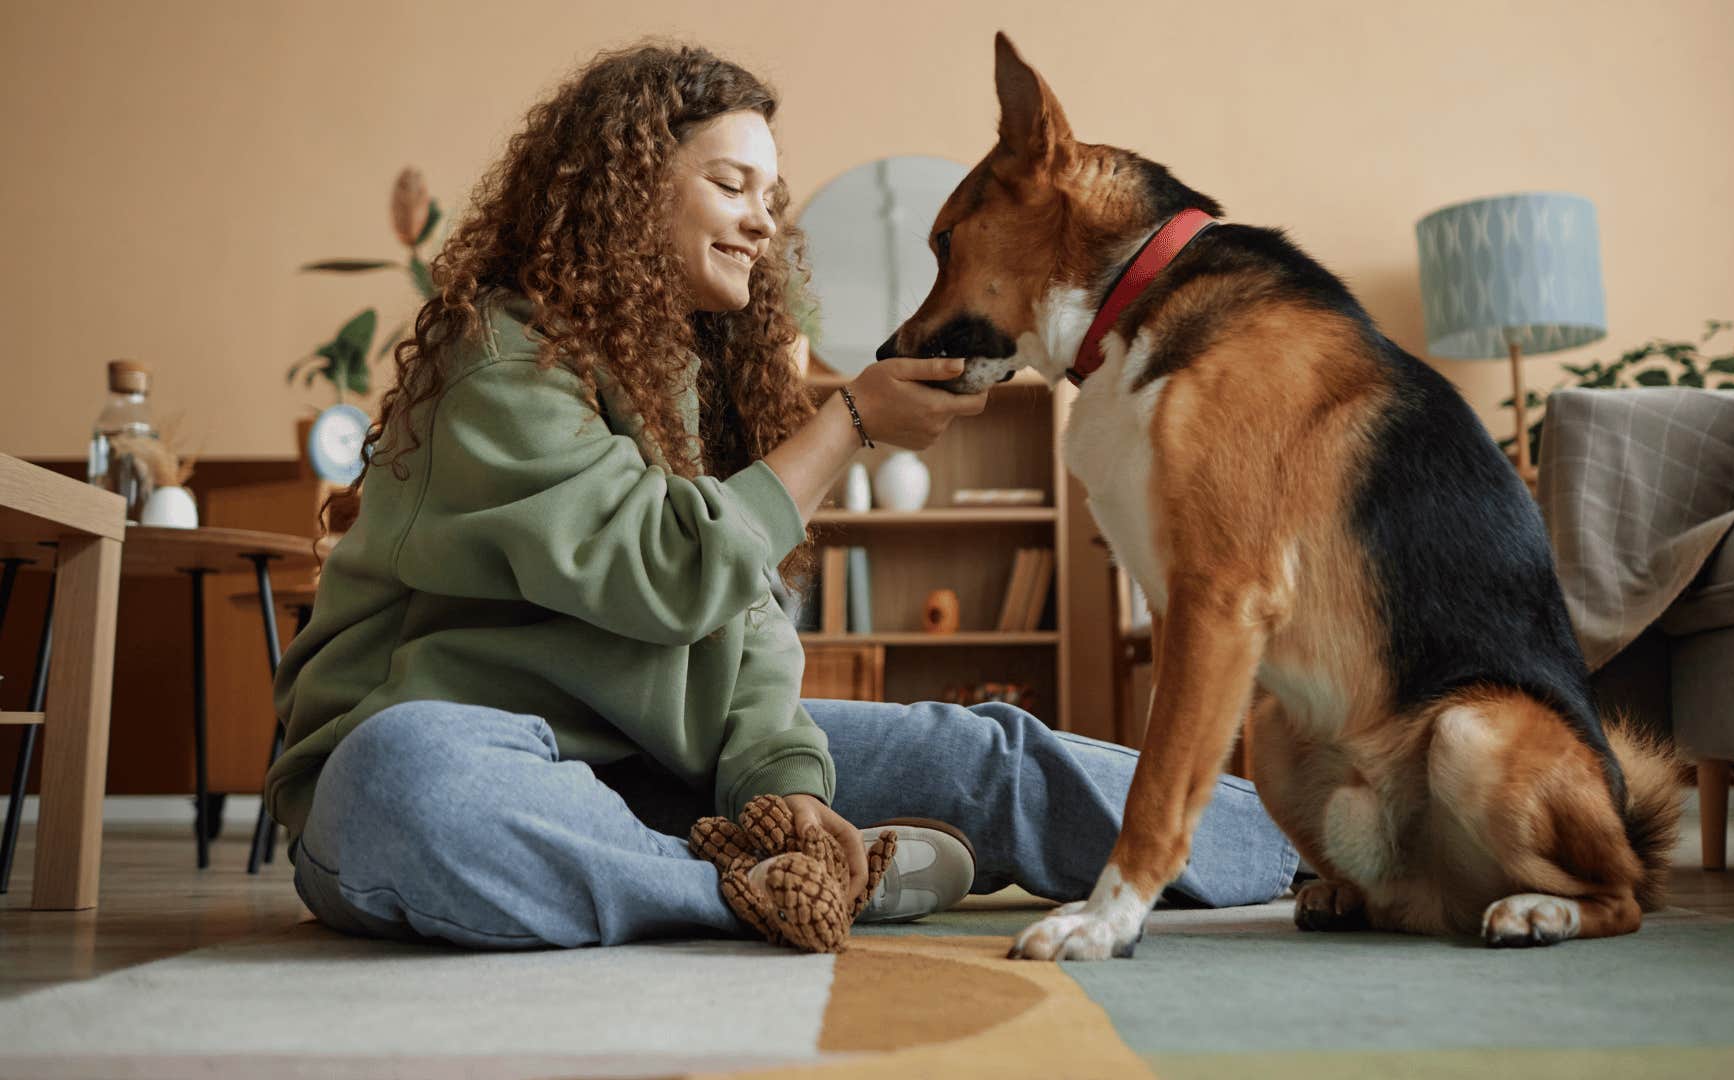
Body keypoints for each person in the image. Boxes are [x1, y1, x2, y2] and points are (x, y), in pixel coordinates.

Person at [265, 41, 1298, 950]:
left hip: (663, 771)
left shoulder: (712, 381)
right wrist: (847, 425)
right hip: (466, 749)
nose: (764, 221)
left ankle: (1336, 847)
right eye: (732, 184)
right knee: (410, 786)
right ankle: (758, 894)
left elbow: (748, 645)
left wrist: (788, 792)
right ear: (628, 192)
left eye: (773, 194)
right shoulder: (497, 357)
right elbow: (663, 574)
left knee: (984, 754)